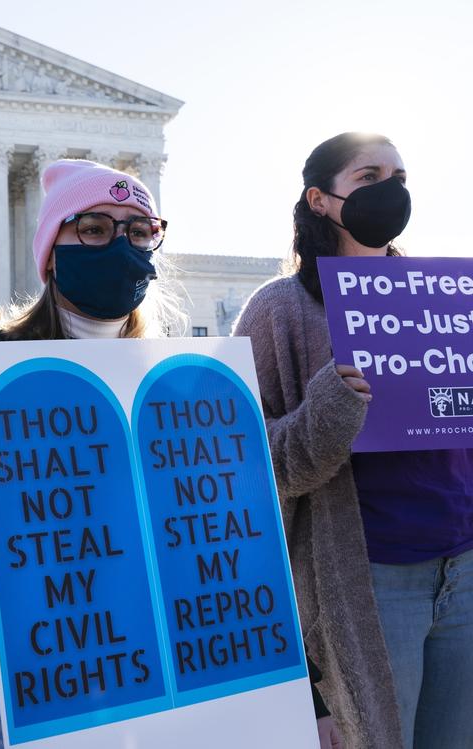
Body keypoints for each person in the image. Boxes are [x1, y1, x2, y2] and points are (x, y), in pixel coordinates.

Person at [0, 159, 331, 748]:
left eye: (138, 232)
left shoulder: (183, 385)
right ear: (52, 250)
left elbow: (233, 550)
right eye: (93, 227)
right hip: (27, 699)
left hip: (174, 689)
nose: (120, 244)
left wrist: (306, 695)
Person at [234, 132, 473, 749]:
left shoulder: (442, 296)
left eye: (399, 176)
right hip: (370, 580)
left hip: (464, 568)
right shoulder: (278, 310)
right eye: (369, 177)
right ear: (319, 200)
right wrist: (329, 408)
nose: (390, 190)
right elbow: (249, 465)